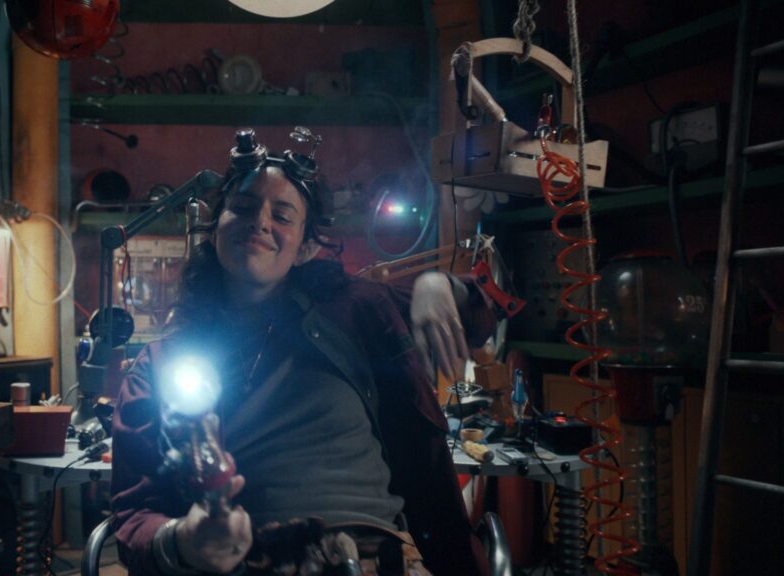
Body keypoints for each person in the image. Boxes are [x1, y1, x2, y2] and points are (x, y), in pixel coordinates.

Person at [110, 129, 496, 575]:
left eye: (282, 215)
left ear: (306, 248)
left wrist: (441, 285)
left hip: (372, 557)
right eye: (243, 207)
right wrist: (184, 541)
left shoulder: (357, 312)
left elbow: (483, 317)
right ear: (214, 230)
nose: (260, 222)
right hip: (252, 564)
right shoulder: (163, 363)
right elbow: (134, 514)